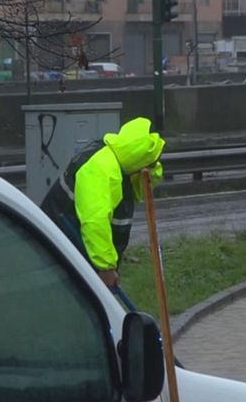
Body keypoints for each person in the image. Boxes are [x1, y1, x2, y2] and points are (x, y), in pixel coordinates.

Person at [40, 116, 165, 287]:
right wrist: (106, 268)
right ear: (138, 162)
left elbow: (143, 184)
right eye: (150, 164)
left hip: (72, 250)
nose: (152, 169)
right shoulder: (101, 170)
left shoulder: (118, 159)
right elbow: (94, 221)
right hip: (64, 251)